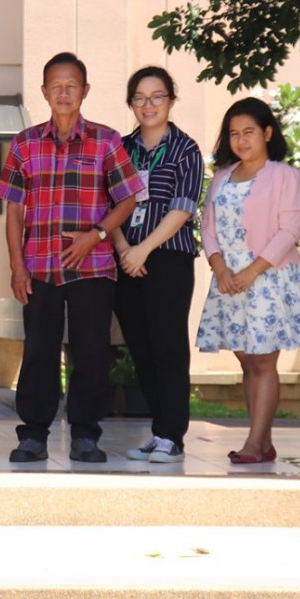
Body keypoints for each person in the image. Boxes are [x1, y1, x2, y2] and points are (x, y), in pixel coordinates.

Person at [0, 52, 144, 463]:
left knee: (91, 352)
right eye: (56, 86)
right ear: (44, 92)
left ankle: (85, 435)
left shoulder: (106, 140)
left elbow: (128, 198)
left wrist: (96, 236)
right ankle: (33, 435)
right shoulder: (24, 143)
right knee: (39, 352)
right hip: (38, 267)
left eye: (71, 85)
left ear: (85, 90)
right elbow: (13, 209)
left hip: (92, 267)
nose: (63, 93)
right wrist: (17, 267)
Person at [196, 96, 300, 465]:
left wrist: (250, 272)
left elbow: (289, 230)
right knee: (247, 361)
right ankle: (262, 443)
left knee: (263, 361)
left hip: (268, 278)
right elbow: (208, 227)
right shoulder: (221, 177)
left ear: (267, 133)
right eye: (234, 133)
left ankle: (254, 444)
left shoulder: (286, 177)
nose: (241, 140)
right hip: (228, 281)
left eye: (249, 132)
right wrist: (220, 269)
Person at [111, 67, 206, 466]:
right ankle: (159, 431)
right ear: (131, 103)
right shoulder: (120, 148)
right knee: (141, 348)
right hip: (126, 258)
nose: (148, 105)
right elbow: (108, 203)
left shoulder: (186, 149)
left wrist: (144, 250)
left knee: (168, 347)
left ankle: (172, 436)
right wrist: (124, 250)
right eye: (140, 98)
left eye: (157, 96)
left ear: (171, 99)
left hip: (168, 258)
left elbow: (183, 208)